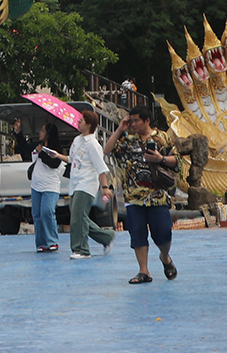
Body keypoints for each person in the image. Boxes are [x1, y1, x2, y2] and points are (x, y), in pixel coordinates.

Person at [104, 106, 178, 284]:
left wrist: (160, 158)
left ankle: (165, 256)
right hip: (133, 196)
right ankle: (143, 271)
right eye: (131, 121)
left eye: (136, 120)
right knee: (137, 233)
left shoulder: (162, 137)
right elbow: (107, 150)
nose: (133, 124)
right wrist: (120, 129)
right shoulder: (128, 140)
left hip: (157, 196)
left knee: (163, 233)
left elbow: (177, 160)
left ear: (147, 121)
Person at [67, 109, 116, 259]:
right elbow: (71, 159)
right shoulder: (77, 140)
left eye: (81, 120)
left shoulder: (94, 145)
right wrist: (56, 155)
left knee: (78, 218)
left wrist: (105, 187)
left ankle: (81, 249)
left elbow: (101, 168)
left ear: (88, 124)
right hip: (74, 183)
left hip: (86, 184)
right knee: (79, 217)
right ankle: (106, 237)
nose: (78, 122)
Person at [29, 123, 65, 253]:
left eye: (43, 131)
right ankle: (41, 243)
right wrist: (18, 132)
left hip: (50, 187)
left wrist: (42, 153)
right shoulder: (39, 146)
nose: (40, 132)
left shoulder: (55, 150)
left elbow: (53, 164)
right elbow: (23, 147)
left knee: (47, 211)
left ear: (48, 134)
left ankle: (52, 241)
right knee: (37, 215)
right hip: (36, 186)